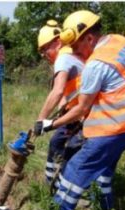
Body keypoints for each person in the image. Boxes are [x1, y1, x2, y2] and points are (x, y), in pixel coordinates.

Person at [37, 10, 125, 210]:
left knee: (77, 166)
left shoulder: (95, 64)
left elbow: (81, 109)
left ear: (89, 38)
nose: (74, 53)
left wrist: (50, 124)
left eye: (76, 47)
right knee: (104, 166)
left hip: (118, 124)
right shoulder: (120, 41)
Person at [34, 20, 85, 191]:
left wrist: (40, 120)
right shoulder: (72, 54)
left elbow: (57, 91)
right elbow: (67, 94)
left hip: (84, 115)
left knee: (69, 149)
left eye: (44, 49)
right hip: (77, 112)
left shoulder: (63, 58)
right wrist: (60, 114)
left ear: (57, 42)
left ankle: (58, 186)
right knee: (58, 142)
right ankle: (53, 182)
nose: (44, 55)